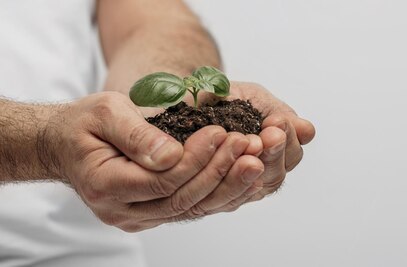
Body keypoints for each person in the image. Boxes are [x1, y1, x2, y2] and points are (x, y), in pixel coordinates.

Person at [0, 0, 315, 266]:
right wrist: (43, 143)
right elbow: (49, 141)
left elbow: (153, 20)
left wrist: (170, 89)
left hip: (87, 253)